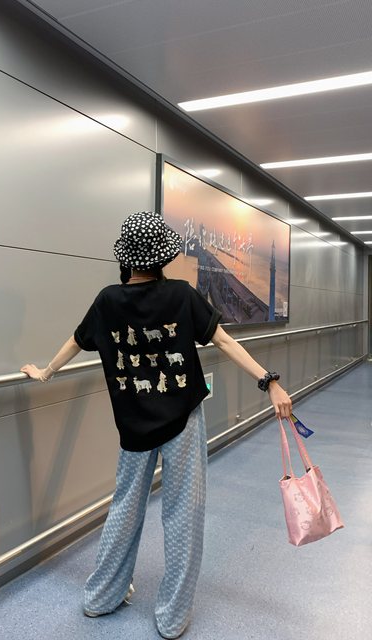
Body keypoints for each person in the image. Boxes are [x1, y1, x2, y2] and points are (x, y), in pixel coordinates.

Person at [21, 211, 292, 639]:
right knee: (184, 513)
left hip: (133, 425)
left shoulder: (108, 301)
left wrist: (46, 373)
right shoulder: (181, 295)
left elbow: (77, 340)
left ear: (126, 258)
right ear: (162, 257)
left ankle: (101, 597)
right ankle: (171, 617)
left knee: (125, 508)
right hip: (182, 420)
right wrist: (269, 382)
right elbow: (223, 340)